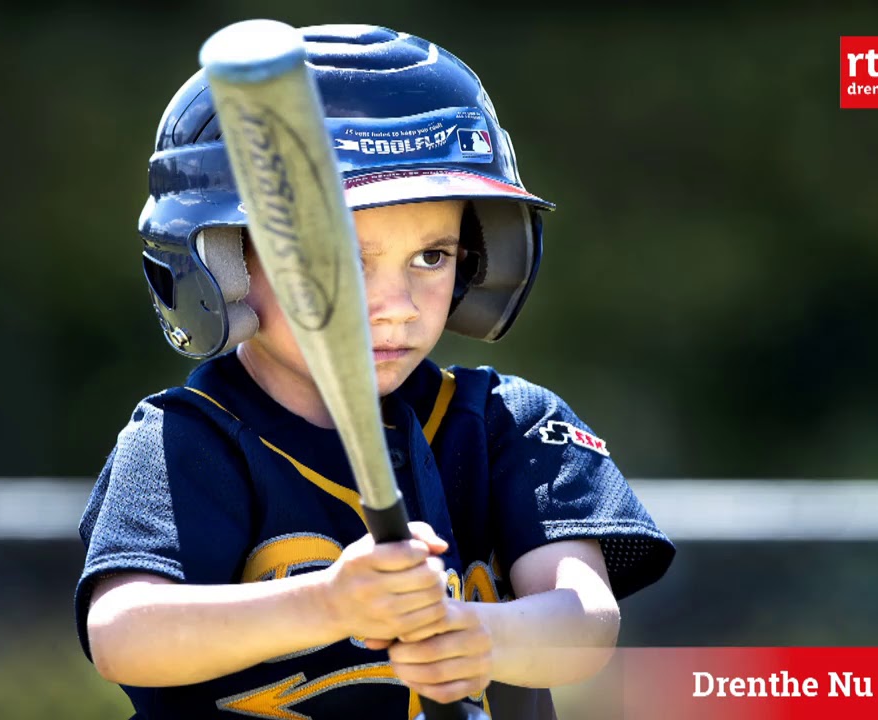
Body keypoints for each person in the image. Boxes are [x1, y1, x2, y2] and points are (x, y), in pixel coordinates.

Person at [75, 24, 675, 719]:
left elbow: (584, 624)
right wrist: (326, 604)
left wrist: (479, 636)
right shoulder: (186, 442)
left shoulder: (507, 424)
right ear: (222, 266)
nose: (395, 307)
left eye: (433, 257)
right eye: (340, 262)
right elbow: (125, 635)